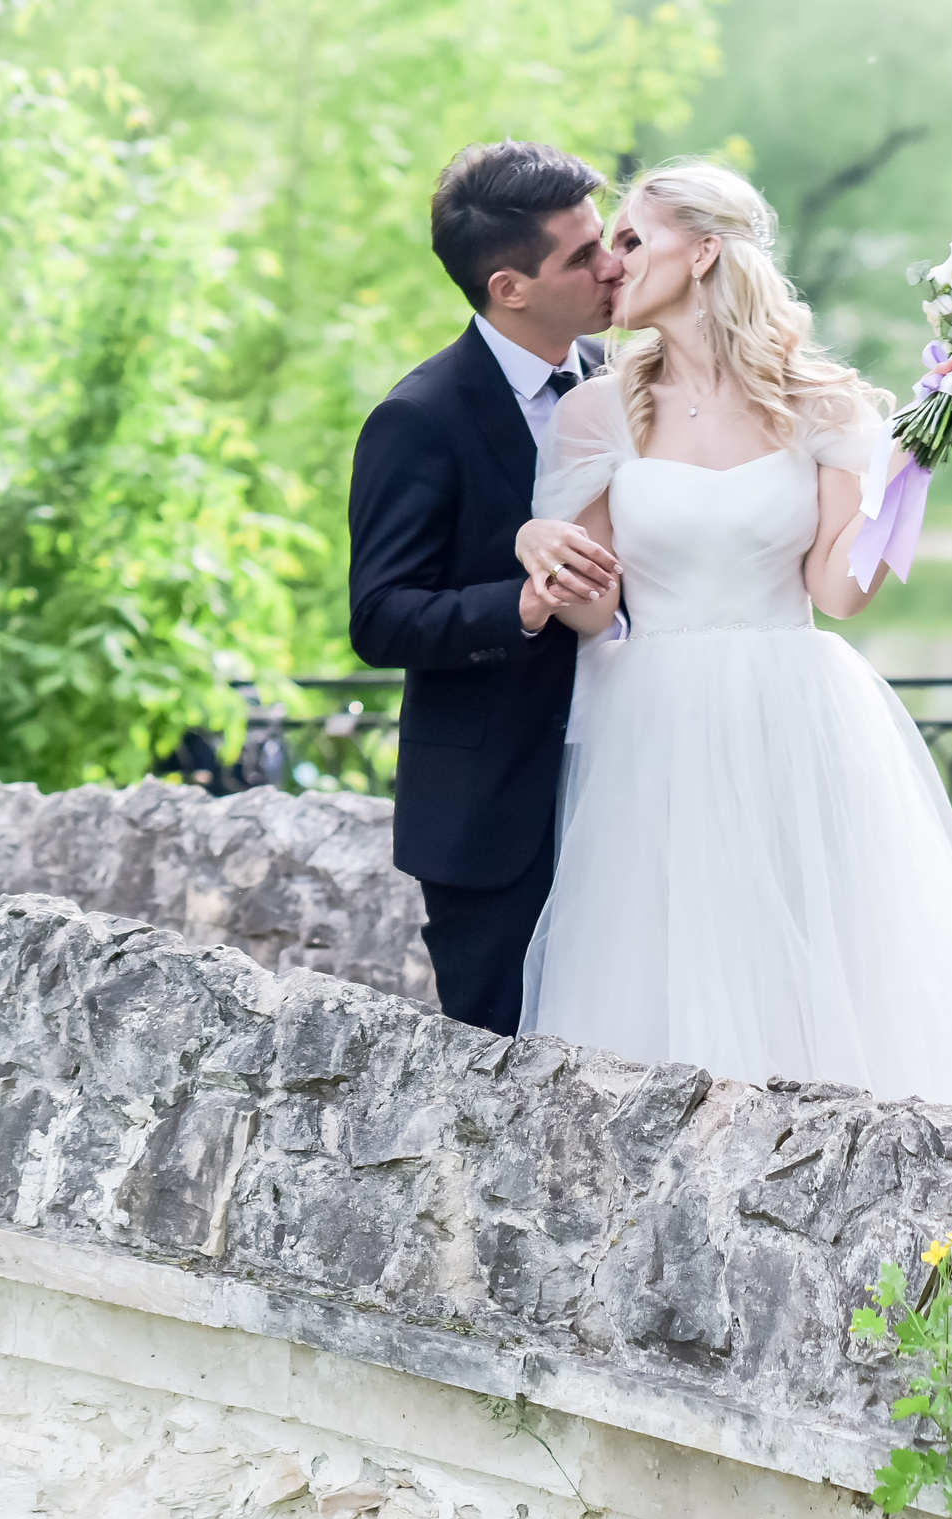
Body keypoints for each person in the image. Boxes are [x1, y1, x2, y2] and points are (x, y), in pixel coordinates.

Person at [509, 161, 952, 1120]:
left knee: (823, 964)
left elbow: (839, 591)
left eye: (632, 238)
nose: (611, 261)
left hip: (795, 713)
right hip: (657, 724)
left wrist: (910, 464)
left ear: (703, 251)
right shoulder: (598, 407)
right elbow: (596, 608)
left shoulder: (824, 400)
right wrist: (537, 547)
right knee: (669, 972)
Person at [346, 142, 629, 1034]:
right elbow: (380, 616)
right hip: (494, 818)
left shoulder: (627, 384)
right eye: (583, 256)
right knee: (507, 1067)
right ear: (510, 287)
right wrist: (524, 603)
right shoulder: (418, 417)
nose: (612, 265)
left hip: (637, 780)